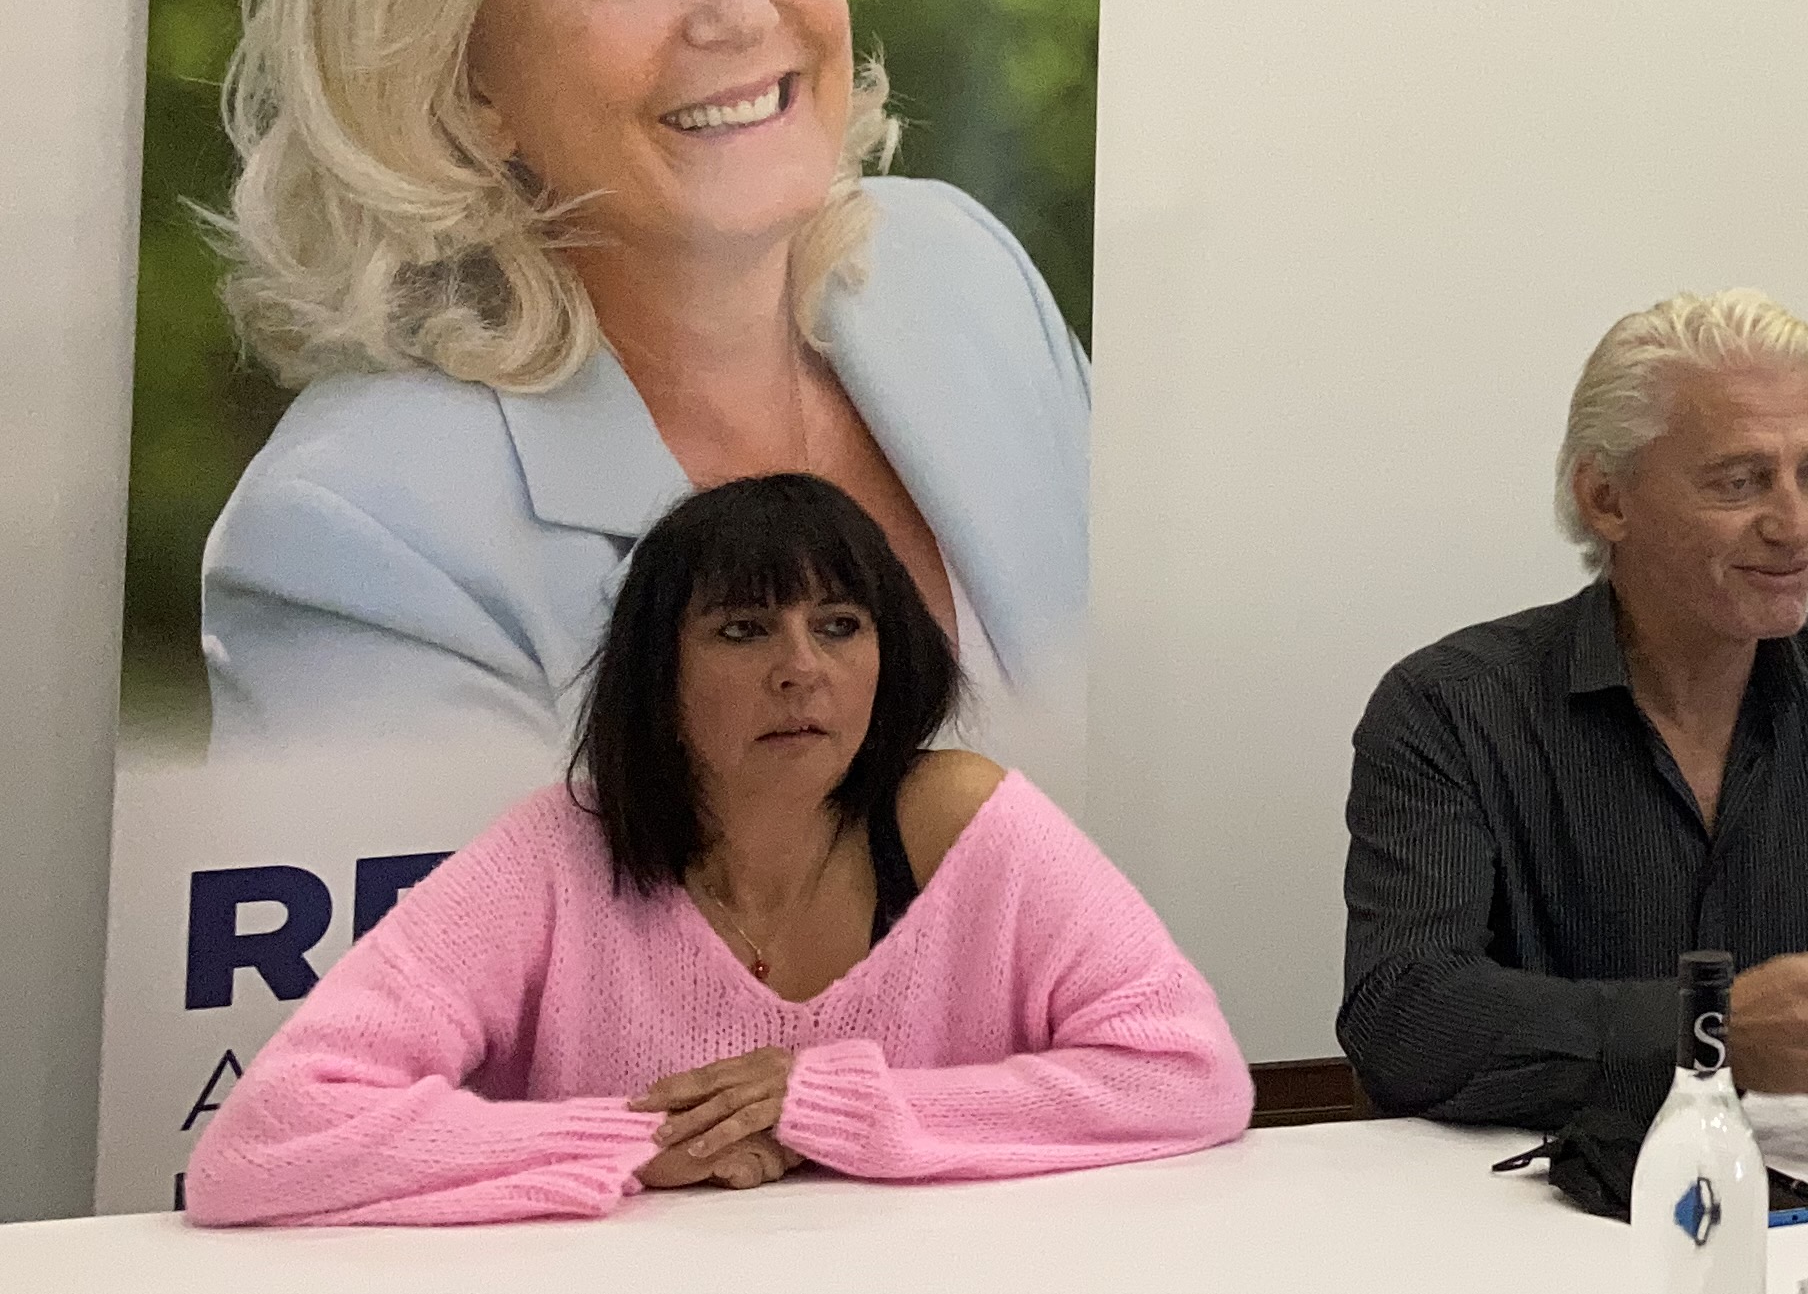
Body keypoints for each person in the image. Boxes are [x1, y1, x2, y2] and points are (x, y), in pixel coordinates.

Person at [196, 0, 1089, 784]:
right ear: (461, 75)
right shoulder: (359, 535)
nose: (737, 8)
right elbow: (476, 971)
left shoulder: (959, 271)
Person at [185, 475, 1244, 1227]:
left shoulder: (961, 820)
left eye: (839, 626)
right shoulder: (558, 853)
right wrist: (630, 1145)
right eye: (743, 631)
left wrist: (829, 1103)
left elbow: (1189, 1075)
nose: (801, 669)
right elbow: (262, 1143)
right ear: (660, 675)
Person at [1338, 289, 1808, 1129]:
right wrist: (1710, 1035)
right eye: (1741, 482)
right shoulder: (1451, 708)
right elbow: (1403, 1013)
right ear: (1607, 499)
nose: (1797, 524)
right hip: (1532, 1198)